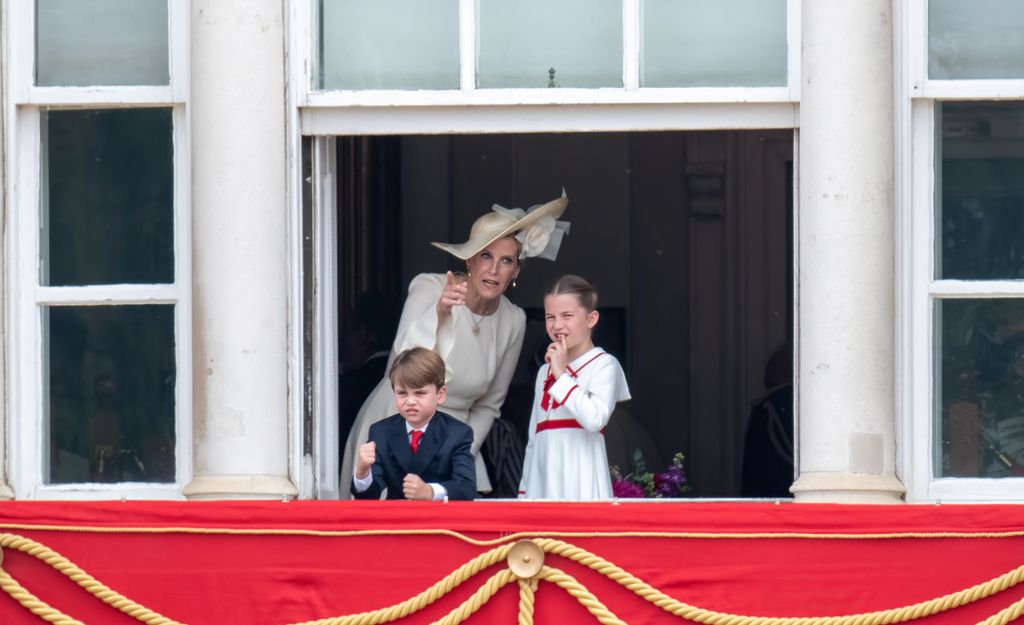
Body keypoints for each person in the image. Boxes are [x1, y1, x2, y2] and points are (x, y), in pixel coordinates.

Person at [341, 193, 571, 495]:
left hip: (455, 442)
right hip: (395, 426)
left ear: (516, 271)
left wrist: (457, 453)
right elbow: (399, 363)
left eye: (506, 261)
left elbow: (490, 405)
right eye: (485, 256)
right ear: (469, 259)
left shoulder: (513, 320)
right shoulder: (430, 287)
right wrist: (440, 313)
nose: (493, 269)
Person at [518, 275, 630, 500]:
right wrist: (524, 494)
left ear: (591, 319)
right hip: (541, 488)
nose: (557, 325)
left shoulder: (604, 364)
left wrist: (561, 375)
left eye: (567, 316)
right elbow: (534, 438)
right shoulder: (544, 372)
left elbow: (594, 419)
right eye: (550, 317)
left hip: (582, 484)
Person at [352, 348, 476, 500]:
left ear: (440, 394)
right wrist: (362, 472)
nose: (410, 401)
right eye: (402, 393)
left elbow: (466, 488)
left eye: (420, 393)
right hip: (397, 520)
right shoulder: (380, 431)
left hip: (439, 521)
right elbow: (370, 497)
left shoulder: (457, 433)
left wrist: (429, 492)